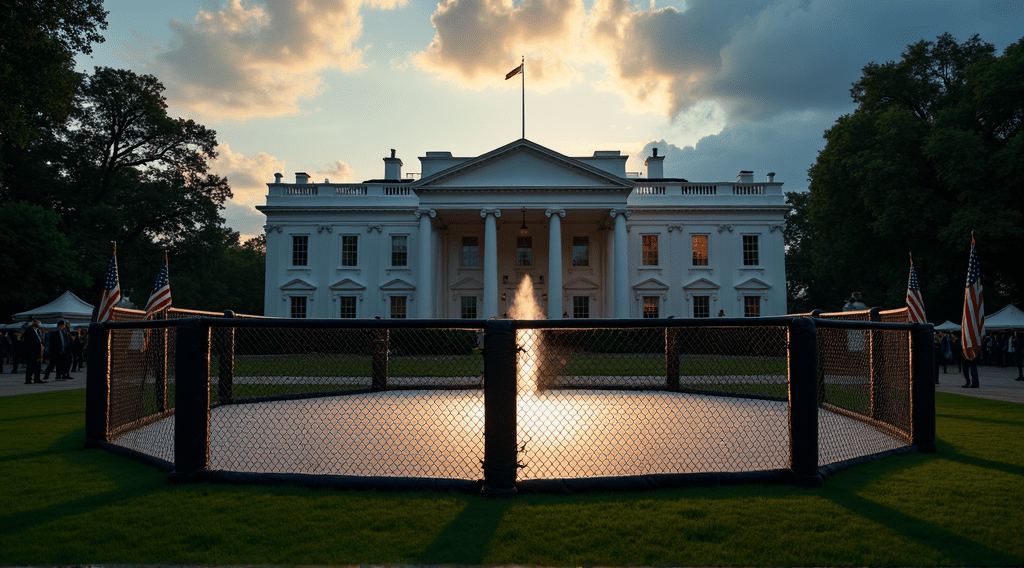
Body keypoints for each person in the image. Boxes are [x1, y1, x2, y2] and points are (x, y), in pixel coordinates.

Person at [22, 320, 45, 384]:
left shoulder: (37, 331)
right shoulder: (29, 330)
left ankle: (37, 379)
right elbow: (28, 341)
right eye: (37, 323)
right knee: (30, 365)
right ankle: (28, 380)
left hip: (38, 349)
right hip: (31, 350)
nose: (39, 324)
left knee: (37, 365)